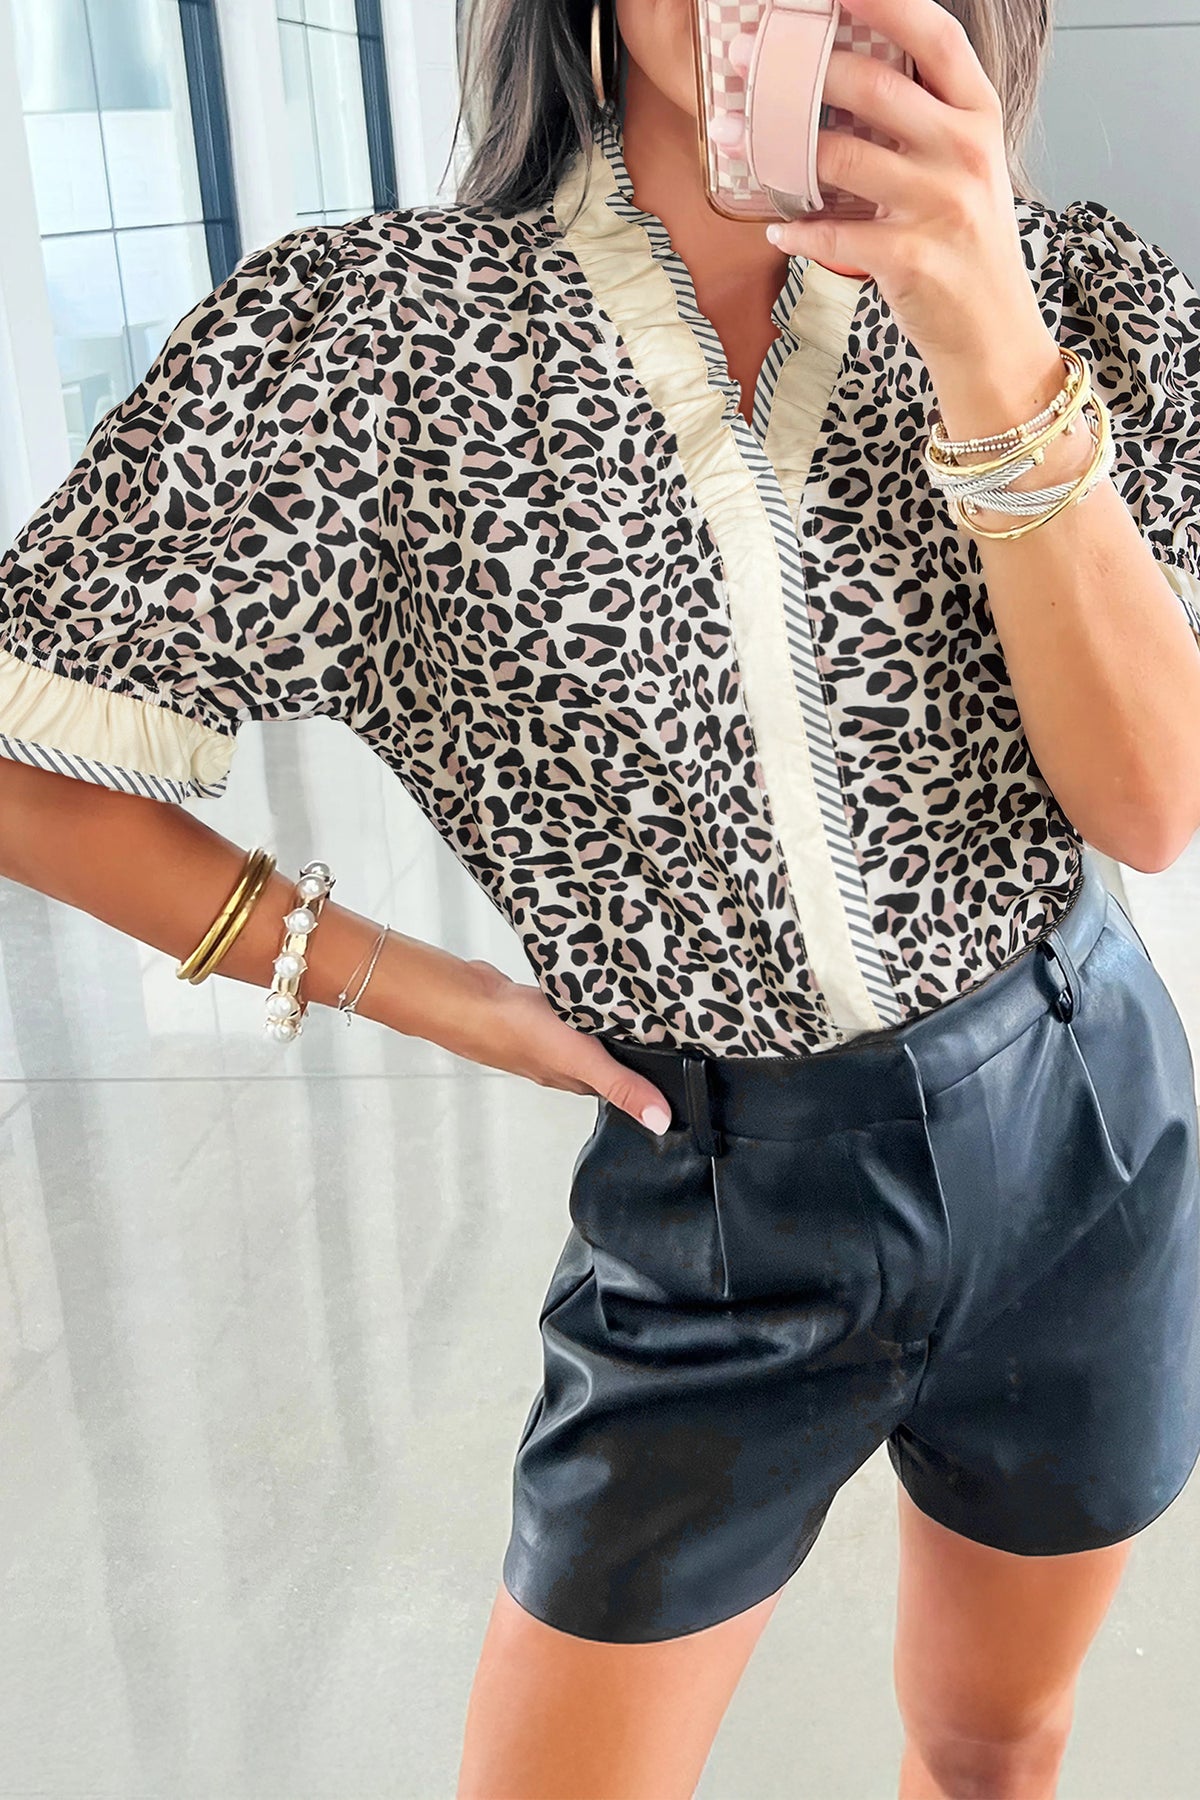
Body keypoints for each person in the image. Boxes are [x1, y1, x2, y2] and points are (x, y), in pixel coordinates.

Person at [2, 0, 1200, 1792]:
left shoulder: (1075, 295)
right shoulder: (377, 344)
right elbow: (24, 753)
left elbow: (1151, 805)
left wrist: (983, 333)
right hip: (714, 1205)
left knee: (992, 1743)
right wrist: (406, 981)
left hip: (1080, 1134)